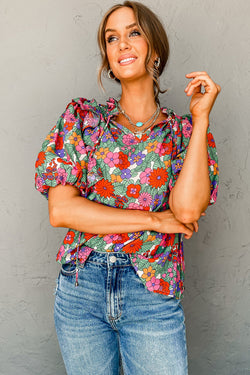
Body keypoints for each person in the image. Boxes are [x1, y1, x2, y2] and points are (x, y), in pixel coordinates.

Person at [35, 1, 220, 374]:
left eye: (133, 32)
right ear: (106, 56)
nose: (122, 44)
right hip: (81, 287)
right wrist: (153, 220)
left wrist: (200, 119)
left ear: (154, 46)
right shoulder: (83, 119)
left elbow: (186, 212)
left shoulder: (182, 133)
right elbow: (63, 211)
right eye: (111, 37)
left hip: (151, 291)